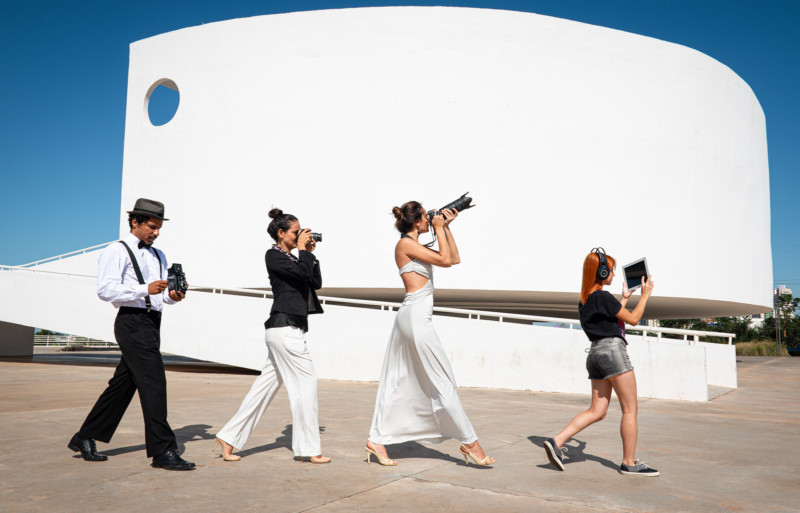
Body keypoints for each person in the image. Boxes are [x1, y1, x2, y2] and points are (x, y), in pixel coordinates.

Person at [365, 201, 495, 467]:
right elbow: (445, 261)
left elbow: (454, 258)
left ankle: (376, 440)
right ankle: (471, 443)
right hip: (415, 317)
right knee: (442, 381)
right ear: (416, 222)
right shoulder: (405, 245)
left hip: (415, 317)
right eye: (426, 217)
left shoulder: (417, 246)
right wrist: (439, 228)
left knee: (399, 379)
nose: (429, 219)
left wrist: (444, 228)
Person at [68, 198, 194, 471]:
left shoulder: (159, 255)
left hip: (151, 322)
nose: (156, 232)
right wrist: (142, 289)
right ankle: (162, 451)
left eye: (159, 227)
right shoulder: (116, 250)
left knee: (123, 386)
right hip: (131, 322)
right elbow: (105, 290)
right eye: (152, 226)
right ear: (135, 222)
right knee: (154, 385)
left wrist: (173, 296)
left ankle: (85, 436)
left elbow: (161, 298)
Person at [214, 208, 331, 464]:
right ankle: (309, 448)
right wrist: (302, 252)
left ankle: (228, 437)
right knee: (307, 382)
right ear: (281, 233)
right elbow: (301, 274)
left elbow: (315, 281)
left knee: (263, 390)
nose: (300, 235)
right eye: (295, 232)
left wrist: (309, 252)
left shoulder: (296, 257)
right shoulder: (273, 256)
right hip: (284, 329)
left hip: (289, 329)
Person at [543, 247, 659, 476]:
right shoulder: (603, 297)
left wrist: (624, 299)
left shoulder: (584, 300)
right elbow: (634, 320)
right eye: (612, 271)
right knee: (630, 409)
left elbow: (609, 318)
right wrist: (645, 295)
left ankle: (557, 442)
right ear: (602, 272)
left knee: (597, 410)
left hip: (595, 353)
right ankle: (630, 463)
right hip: (613, 352)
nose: (614, 275)